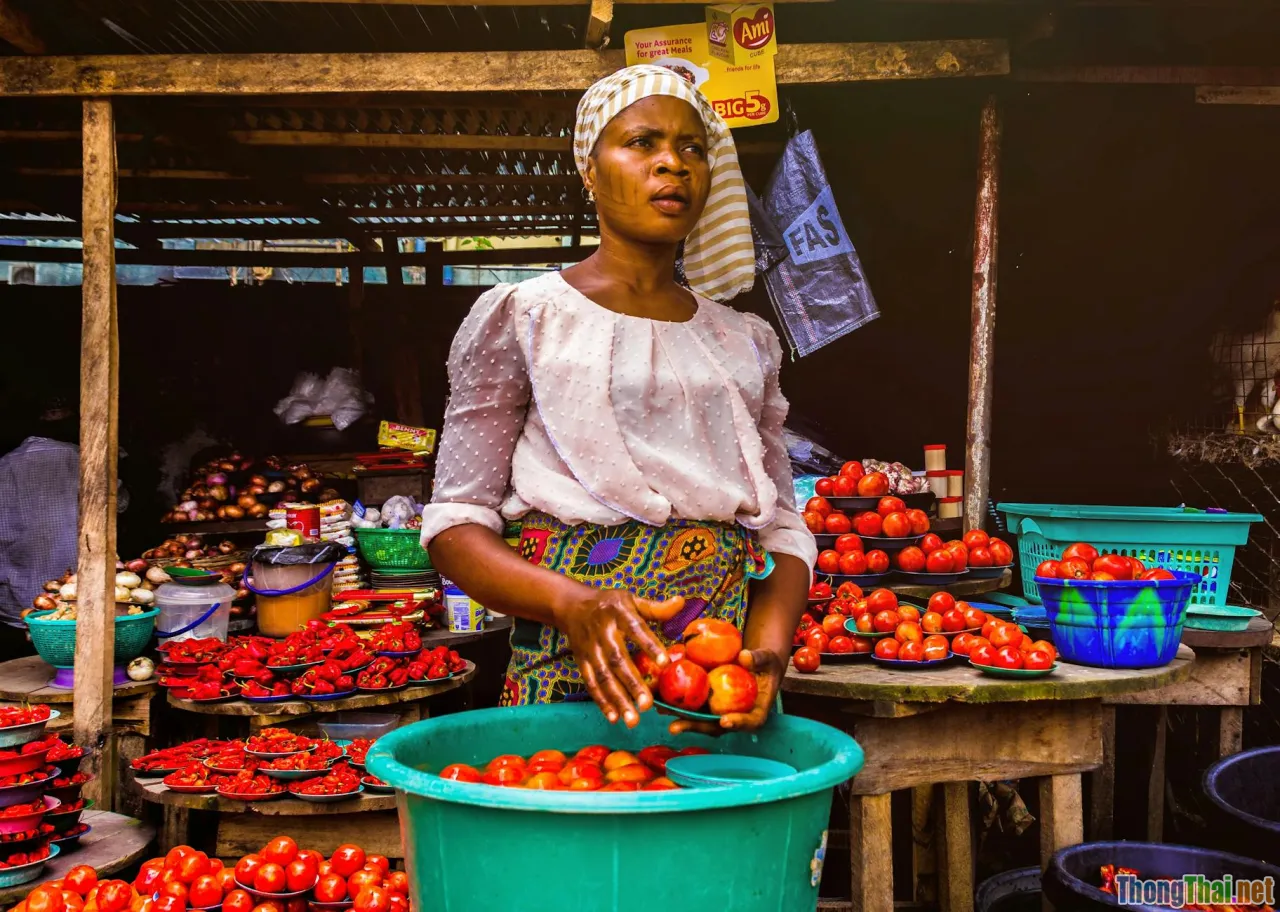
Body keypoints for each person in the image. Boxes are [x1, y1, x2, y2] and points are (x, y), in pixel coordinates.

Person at [422, 65, 816, 734]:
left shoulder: (744, 340)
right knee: (575, 821)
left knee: (721, 834)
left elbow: (781, 528)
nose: (673, 162)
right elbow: (456, 525)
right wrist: (574, 605)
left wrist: (766, 654)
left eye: (693, 148)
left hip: (719, 689)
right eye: (642, 142)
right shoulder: (524, 316)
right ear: (591, 170)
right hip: (570, 671)